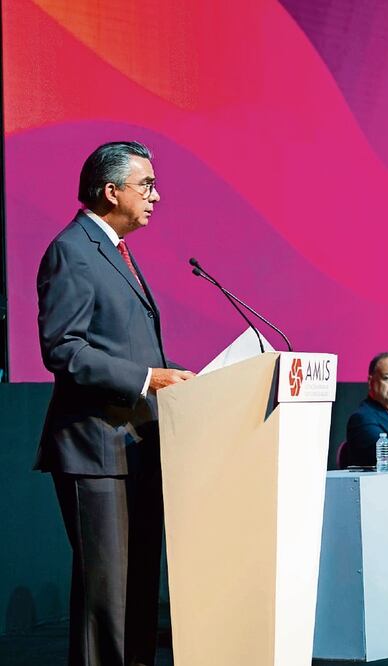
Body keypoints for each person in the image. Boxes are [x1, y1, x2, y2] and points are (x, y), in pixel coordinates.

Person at [36, 141, 194, 666]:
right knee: (107, 596)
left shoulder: (114, 250)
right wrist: (147, 377)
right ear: (111, 191)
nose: (157, 195)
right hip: (95, 448)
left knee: (139, 586)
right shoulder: (73, 249)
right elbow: (64, 350)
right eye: (146, 185)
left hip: (137, 447)